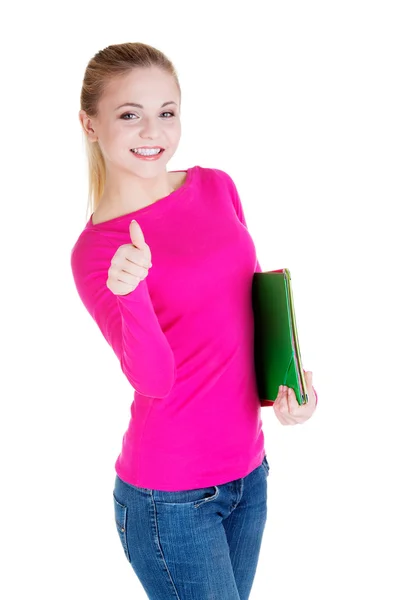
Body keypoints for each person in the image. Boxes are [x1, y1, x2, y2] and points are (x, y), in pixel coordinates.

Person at [70, 41, 318, 600]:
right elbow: (155, 380)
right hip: (171, 498)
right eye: (129, 115)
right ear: (89, 124)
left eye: (167, 112)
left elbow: (253, 305)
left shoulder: (216, 186)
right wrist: (128, 291)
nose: (152, 131)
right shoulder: (97, 251)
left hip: (250, 474)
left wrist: (293, 383)